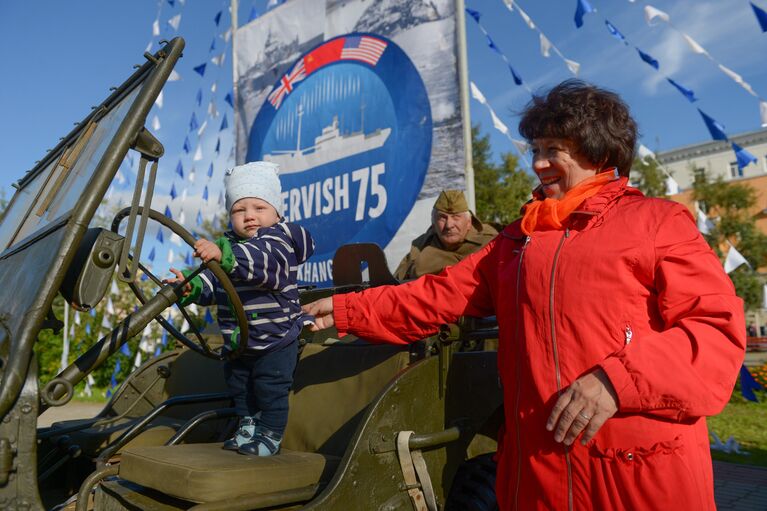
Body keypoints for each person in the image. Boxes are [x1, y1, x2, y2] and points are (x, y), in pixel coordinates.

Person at [304, 80, 745, 509]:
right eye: (535, 150)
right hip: (536, 479)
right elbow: (435, 296)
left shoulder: (656, 221)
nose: (537, 163)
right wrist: (344, 308)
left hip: (630, 476)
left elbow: (715, 331)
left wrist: (618, 381)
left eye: (553, 149)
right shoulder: (515, 241)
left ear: (599, 150)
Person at [168, 161, 314, 456]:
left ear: (276, 212)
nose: (249, 216)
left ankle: (270, 435)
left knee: (270, 389)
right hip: (239, 342)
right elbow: (214, 283)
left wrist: (225, 255)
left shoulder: (280, 241)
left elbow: (262, 265)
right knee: (240, 387)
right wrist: (191, 288)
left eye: (259, 208)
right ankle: (248, 424)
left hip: (275, 339)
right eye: (239, 209)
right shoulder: (229, 248)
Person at [393, 190, 497, 280]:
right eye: (442, 217)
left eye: (456, 217)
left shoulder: (491, 242)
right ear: (433, 222)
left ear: (469, 222)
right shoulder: (421, 244)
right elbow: (397, 280)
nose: (449, 225)